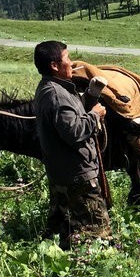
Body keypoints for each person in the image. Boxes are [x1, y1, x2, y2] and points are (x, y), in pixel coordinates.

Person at [33, 40, 110, 248]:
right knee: (98, 234)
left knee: (65, 230)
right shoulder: (57, 95)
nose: (72, 63)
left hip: (63, 174)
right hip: (78, 177)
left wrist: (91, 96)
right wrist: (95, 116)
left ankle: (60, 265)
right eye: (67, 58)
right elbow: (74, 131)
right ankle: (96, 268)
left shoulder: (52, 89)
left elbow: (69, 118)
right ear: (54, 66)